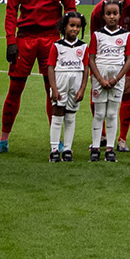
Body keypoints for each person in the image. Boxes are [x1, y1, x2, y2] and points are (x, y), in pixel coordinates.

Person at [0, 0, 77, 154]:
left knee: (53, 90)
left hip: (51, 40)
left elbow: (70, 10)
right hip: (25, 38)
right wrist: (11, 41)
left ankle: (57, 142)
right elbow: (11, 10)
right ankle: (3, 140)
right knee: (15, 89)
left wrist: (67, 42)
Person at [91, 0, 130, 153]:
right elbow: (93, 39)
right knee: (97, 93)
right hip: (103, 58)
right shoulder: (98, 9)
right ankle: (102, 135)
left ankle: (122, 138)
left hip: (128, 56)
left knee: (127, 91)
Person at [88, 0, 130, 163]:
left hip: (118, 78)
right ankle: (95, 148)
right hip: (99, 77)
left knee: (111, 113)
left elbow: (129, 60)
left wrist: (116, 78)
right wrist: (100, 79)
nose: (112, 17)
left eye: (115, 13)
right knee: (99, 113)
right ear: (103, 16)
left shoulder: (125, 35)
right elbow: (91, 58)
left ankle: (110, 148)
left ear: (120, 15)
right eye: (108, 14)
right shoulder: (97, 35)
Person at [46, 12, 90, 162]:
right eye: (72, 25)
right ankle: (54, 150)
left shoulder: (83, 47)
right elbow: (50, 67)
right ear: (64, 27)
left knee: (71, 117)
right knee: (57, 116)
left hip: (75, 86)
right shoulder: (57, 46)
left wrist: (82, 89)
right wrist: (54, 88)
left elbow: (85, 69)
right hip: (60, 84)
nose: (75, 29)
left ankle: (67, 150)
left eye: (78, 26)